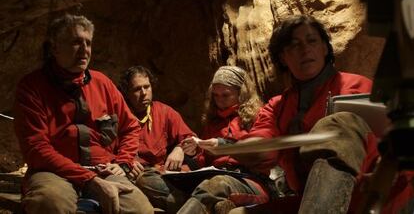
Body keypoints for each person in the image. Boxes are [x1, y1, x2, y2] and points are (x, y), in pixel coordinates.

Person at [228, 14, 382, 214]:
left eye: (312, 41)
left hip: (363, 197)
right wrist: (252, 148)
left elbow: (387, 144)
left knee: (339, 123)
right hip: (305, 201)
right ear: (283, 57)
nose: (305, 49)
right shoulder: (277, 106)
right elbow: (263, 137)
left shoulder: (357, 87)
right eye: (294, 45)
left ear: (325, 48)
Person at [14, 14, 153, 214]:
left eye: (88, 43)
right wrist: (89, 180)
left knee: (140, 209)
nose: (85, 50)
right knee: (49, 203)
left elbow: (130, 126)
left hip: (102, 169)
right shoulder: (32, 87)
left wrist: (123, 162)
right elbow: (36, 149)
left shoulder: (102, 83)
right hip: (54, 172)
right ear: (55, 48)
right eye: (76, 42)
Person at [176, 66, 277, 214]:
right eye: (216, 96)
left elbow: (261, 151)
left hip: (251, 180)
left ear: (241, 93)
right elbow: (203, 162)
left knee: (216, 184)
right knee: (156, 181)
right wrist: (189, 158)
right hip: (213, 177)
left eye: (225, 95)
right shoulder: (213, 122)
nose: (220, 101)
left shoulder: (259, 116)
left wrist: (224, 146)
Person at [118, 66, 197, 213]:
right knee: (142, 181)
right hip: (135, 177)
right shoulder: (120, 115)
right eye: (137, 89)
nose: (143, 93)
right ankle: (196, 206)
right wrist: (125, 161)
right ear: (126, 93)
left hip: (161, 175)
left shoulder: (164, 112)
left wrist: (180, 148)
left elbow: (192, 140)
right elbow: (105, 150)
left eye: (147, 87)